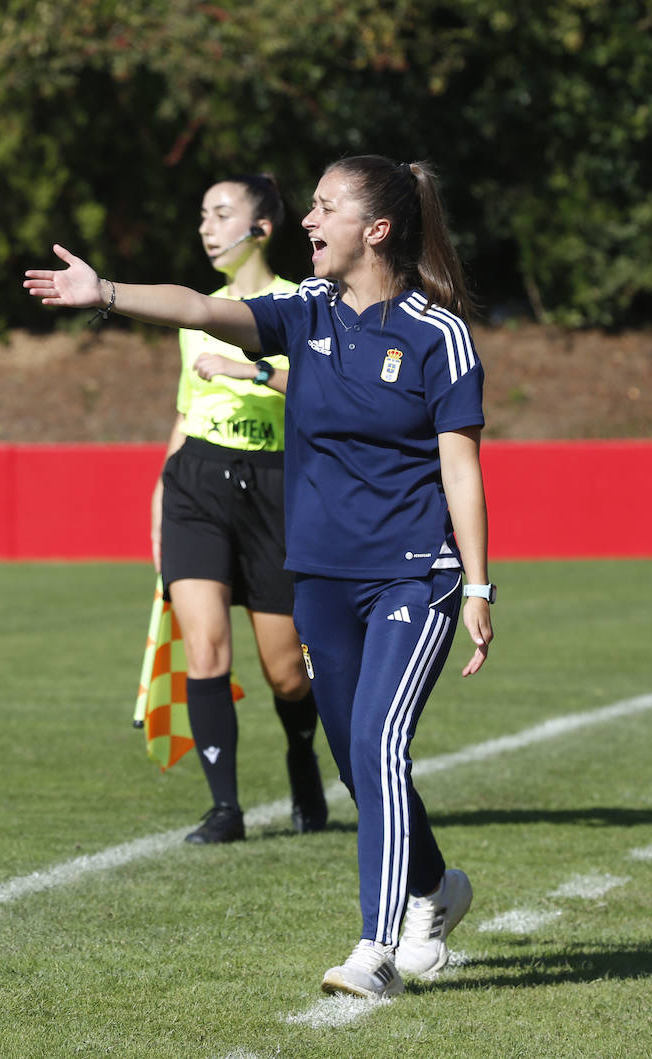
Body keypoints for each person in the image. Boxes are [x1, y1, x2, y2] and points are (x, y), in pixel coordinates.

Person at [25, 154, 493, 1001]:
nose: (308, 220)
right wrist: (106, 294)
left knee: (381, 747)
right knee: (360, 760)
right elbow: (202, 308)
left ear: (375, 230)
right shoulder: (305, 311)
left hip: (414, 576)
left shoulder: (438, 334)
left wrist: (481, 585)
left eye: (325, 207)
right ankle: (438, 887)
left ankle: (373, 948)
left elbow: (460, 467)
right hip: (319, 576)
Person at [151, 174, 327, 845]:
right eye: (202, 214)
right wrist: (160, 491)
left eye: (221, 214)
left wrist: (249, 369)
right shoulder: (200, 311)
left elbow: (326, 390)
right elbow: (185, 413)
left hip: (277, 485)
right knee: (205, 646)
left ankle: (302, 756)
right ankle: (224, 807)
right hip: (196, 481)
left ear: (262, 228)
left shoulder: (302, 302)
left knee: (287, 670)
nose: (206, 227)